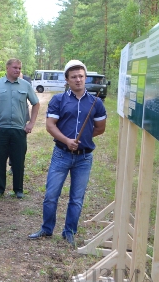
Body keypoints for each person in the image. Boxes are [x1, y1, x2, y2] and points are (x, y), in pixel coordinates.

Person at [28, 60, 107, 247]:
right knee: (51, 195)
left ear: (85, 78)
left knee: (77, 198)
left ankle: (69, 232)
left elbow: (100, 128)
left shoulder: (96, 102)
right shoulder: (58, 100)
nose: (78, 80)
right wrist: (67, 141)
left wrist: (83, 139)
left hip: (84, 157)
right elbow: (50, 126)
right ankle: (47, 229)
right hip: (61, 154)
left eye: (81, 76)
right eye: (74, 77)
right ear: (67, 80)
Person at [0, 58, 39, 199]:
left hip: (19, 129)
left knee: (18, 160)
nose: (17, 70)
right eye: (14, 68)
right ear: (7, 68)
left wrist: (31, 123)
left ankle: (18, 189)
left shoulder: (25, 85)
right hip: (0, 129)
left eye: (19, 68)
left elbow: (36, 104)